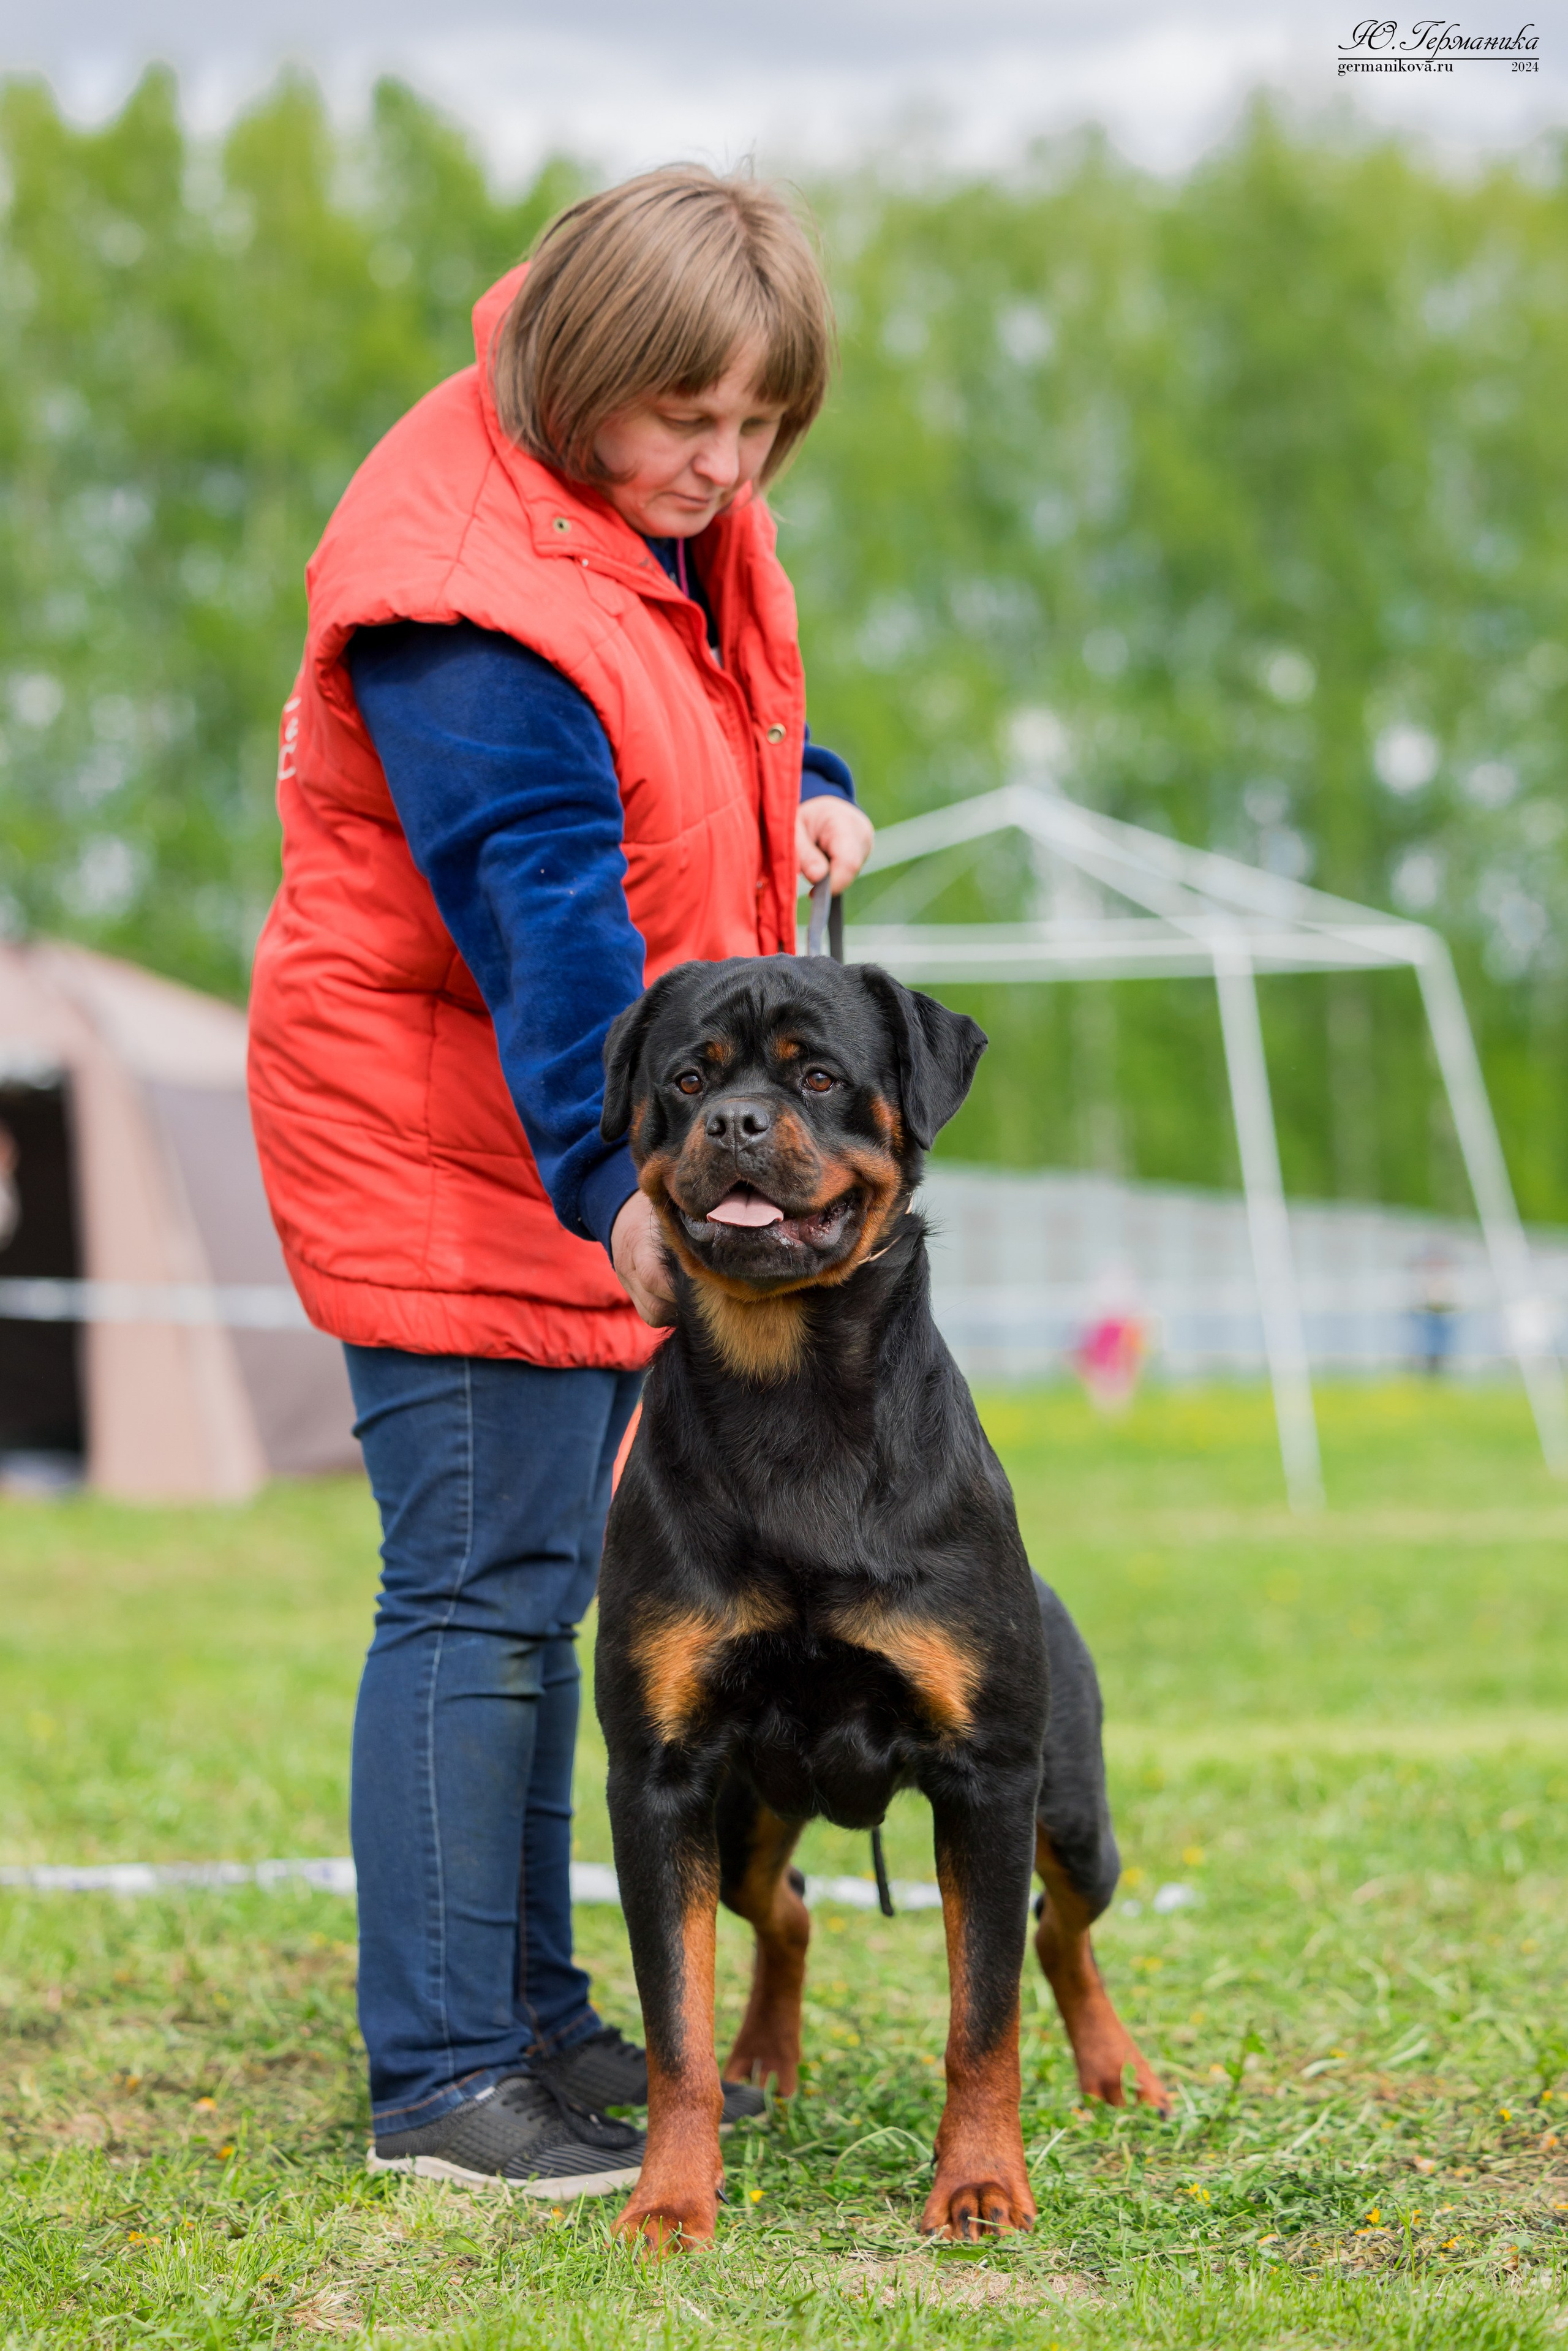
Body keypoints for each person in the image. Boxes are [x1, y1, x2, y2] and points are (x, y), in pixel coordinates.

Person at [247, 167, 874, 2192]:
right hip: (457, 1140)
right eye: (690, 420)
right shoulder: (461, 595)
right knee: (472, 1601)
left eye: (761, 425)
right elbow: (554, 930)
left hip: (571, 1138)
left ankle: (537, 2023)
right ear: (593, 368)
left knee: (551, 1599)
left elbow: (707, 715)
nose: (726, 462)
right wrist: (623, 1186)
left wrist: (815, 782)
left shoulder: (633, 512)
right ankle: (444, 2082)